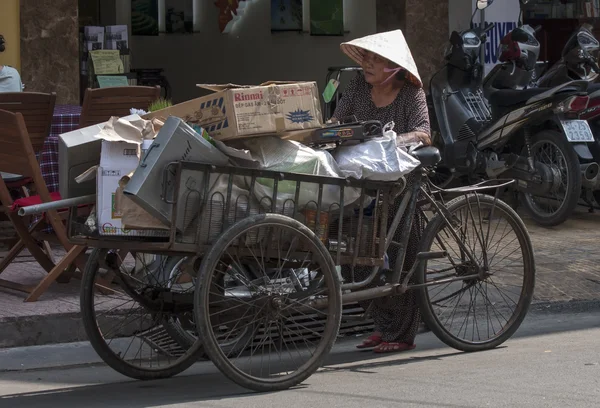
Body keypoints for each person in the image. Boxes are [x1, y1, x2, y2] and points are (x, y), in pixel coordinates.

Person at [332, 30, 431, 354]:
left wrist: (388, 142)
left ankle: (402, 335)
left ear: (393, 66)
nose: (367, 65)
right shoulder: (358, 88)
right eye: (366, 59)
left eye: (375, 59)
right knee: (350, 251)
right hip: (362, 185)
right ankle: (383, 325)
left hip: (400, 186)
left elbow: (423, 134)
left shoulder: (410, 94)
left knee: (401, 255)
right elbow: (336, 121)